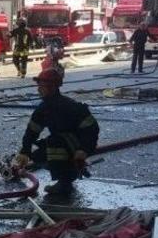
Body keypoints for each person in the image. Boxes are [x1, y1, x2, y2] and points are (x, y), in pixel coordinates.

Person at [12, 67, 99, 196]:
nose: (38, 89)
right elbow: (32, 131)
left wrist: (83, 150)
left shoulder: (70, 106)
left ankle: (65, 183)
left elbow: (92, 129)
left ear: (51, 87)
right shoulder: (44, 108)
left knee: (54, 142)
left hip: (79, 145)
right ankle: (69, 171)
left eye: (42, 86)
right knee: (38, 156)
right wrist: (25, 152)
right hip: (66, 144)